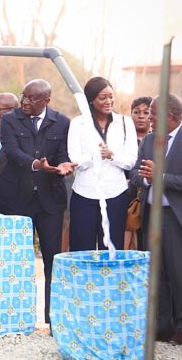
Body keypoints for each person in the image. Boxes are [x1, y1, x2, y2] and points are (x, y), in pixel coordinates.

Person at [130, 94, 182, 345]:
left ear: (170, 116)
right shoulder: (150, 140)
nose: (149, 119)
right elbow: (135, 173)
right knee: (157, 274)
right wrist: (144, 178)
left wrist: (159, 177)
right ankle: (162, 327)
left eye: (153, 114)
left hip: (179, 218)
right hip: (151, 214)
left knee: (178, 274)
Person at [0, 79, 76, 326]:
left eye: (31, 98)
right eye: (24, 97)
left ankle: (53, 319)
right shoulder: (9, 119)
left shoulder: (61, 122)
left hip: (49, 201)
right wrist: (35, 164)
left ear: (46, 101)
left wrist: (63, 165)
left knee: (52, 259)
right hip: (17, 200)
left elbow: (64, 153)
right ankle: (15, 318)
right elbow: (11, 150)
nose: (25, 102)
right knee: (16, 260)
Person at [67, 76, 138, 251]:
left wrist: (112, 155)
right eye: (103, 97)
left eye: (111, 96)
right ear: (91, 100)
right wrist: (94, 154)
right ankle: (83, 279)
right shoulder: (78, 123)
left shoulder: (125, 123)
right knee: (81, 249)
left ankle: (111, 279)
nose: (109, 101)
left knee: (112, 249)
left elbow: (131, 161)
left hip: (115, 194)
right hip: (84, 194)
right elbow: (74, 159)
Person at [125, 96, 152, 251]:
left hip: (148, 197)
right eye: (137, 112)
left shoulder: (158, 140)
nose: (141, 116)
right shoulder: (122, 139)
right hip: (125, 195)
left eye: (146, 112)